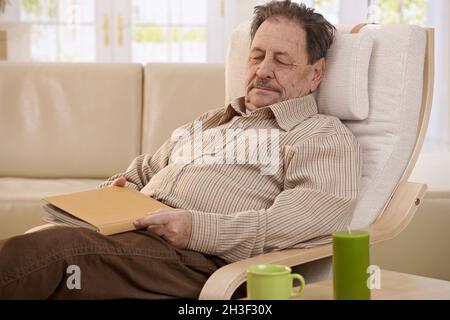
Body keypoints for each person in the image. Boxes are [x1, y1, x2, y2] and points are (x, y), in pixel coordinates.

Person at [0, 0, 361, 299]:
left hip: (196, 263)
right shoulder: (212, 120)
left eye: (281, 60)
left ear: (315, 74)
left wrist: (194, 229)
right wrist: (117, 190)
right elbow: (143, 170)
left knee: (50, 253)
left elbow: (296, 222)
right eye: (256, 56)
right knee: (36, 252)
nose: (264, 70)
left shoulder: (319, 135)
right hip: (130, 243)